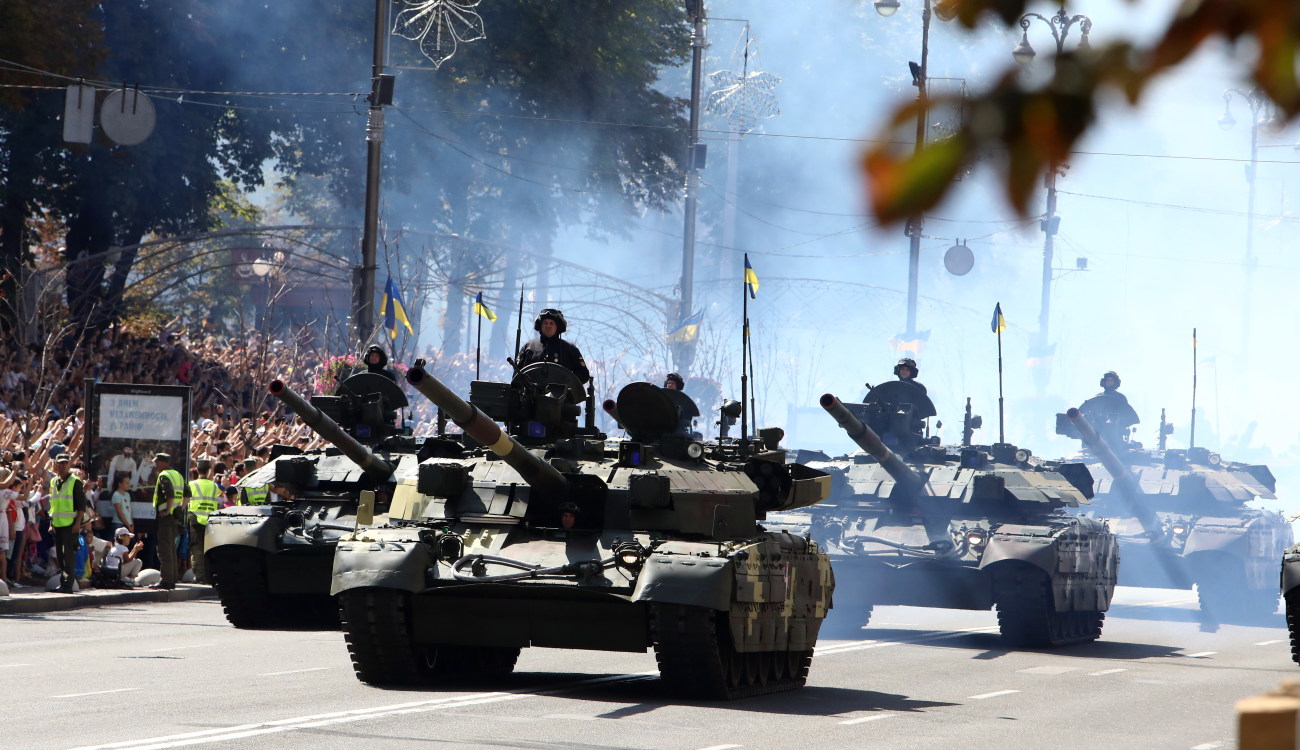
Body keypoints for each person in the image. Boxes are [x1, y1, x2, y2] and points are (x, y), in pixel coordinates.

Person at [516, 309, 590, 383]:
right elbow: (517, 375)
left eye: (551, 323)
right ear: (540, 326)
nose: (548, 326)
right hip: (530, 393)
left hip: (561, 393)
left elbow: (583, 375)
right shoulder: (529, 347)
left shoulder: (569, 349)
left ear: (557, 327)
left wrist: (567, 384)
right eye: (545, 323)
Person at [47, 453, 86, 593]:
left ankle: (68, 585)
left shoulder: (75, 481)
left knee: (68, 555)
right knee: (60, 555)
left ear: (69, 464)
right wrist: (51, 523)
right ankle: (63, 583)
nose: (63, 465)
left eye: (65, 463)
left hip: (70, 524)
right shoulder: (53, 481)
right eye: (60, 463)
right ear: (56, 464)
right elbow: (52, 504)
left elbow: (82, 506)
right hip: (57, 524)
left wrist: (77, 524)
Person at [151, 453, 189, 589]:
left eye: (157, 462)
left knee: (165, 549)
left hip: (166, 518)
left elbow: (170, 494)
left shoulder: (164, 475)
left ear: (162, 462)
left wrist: (167, 510)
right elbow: (187, 494)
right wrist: (180, 508)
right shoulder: (178, 475)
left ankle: (166, 581)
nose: (155, 465)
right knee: (172, 548)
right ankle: (172, 578)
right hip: (175, 517)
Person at [1078, 370, 1140, 449]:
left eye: (1111, 380)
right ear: (1104, 382)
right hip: (1098, 432)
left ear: (1115, 382)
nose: (1109, 382)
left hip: (1116, 434)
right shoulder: (1098, 397)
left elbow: (1125, 416)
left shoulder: (1120, 398)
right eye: (1107, 380)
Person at [187, 459, 221, 584]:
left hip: (195, 519)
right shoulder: (214, 486)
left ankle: (200, 577)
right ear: (208, 470)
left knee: (197, 550)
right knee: (208, 550)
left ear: (196, 469)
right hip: (210, 521)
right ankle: (209, 577)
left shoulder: (192, 484)